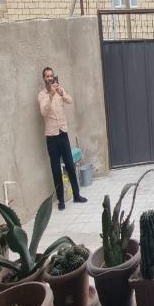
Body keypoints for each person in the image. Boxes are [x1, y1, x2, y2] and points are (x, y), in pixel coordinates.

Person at [37, 67, 87, 210]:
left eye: (51, 76)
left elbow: (70, 100)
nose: (50, 78)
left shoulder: (59, 89)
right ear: (44, 78)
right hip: (51, 137)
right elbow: (43, 112)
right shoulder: (41, 95)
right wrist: (51, 95)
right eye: (47, 76)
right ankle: (61, 201)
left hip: (63, 133)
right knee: (56, 170)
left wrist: (61, 93)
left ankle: (77, 195)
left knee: (70, 165)